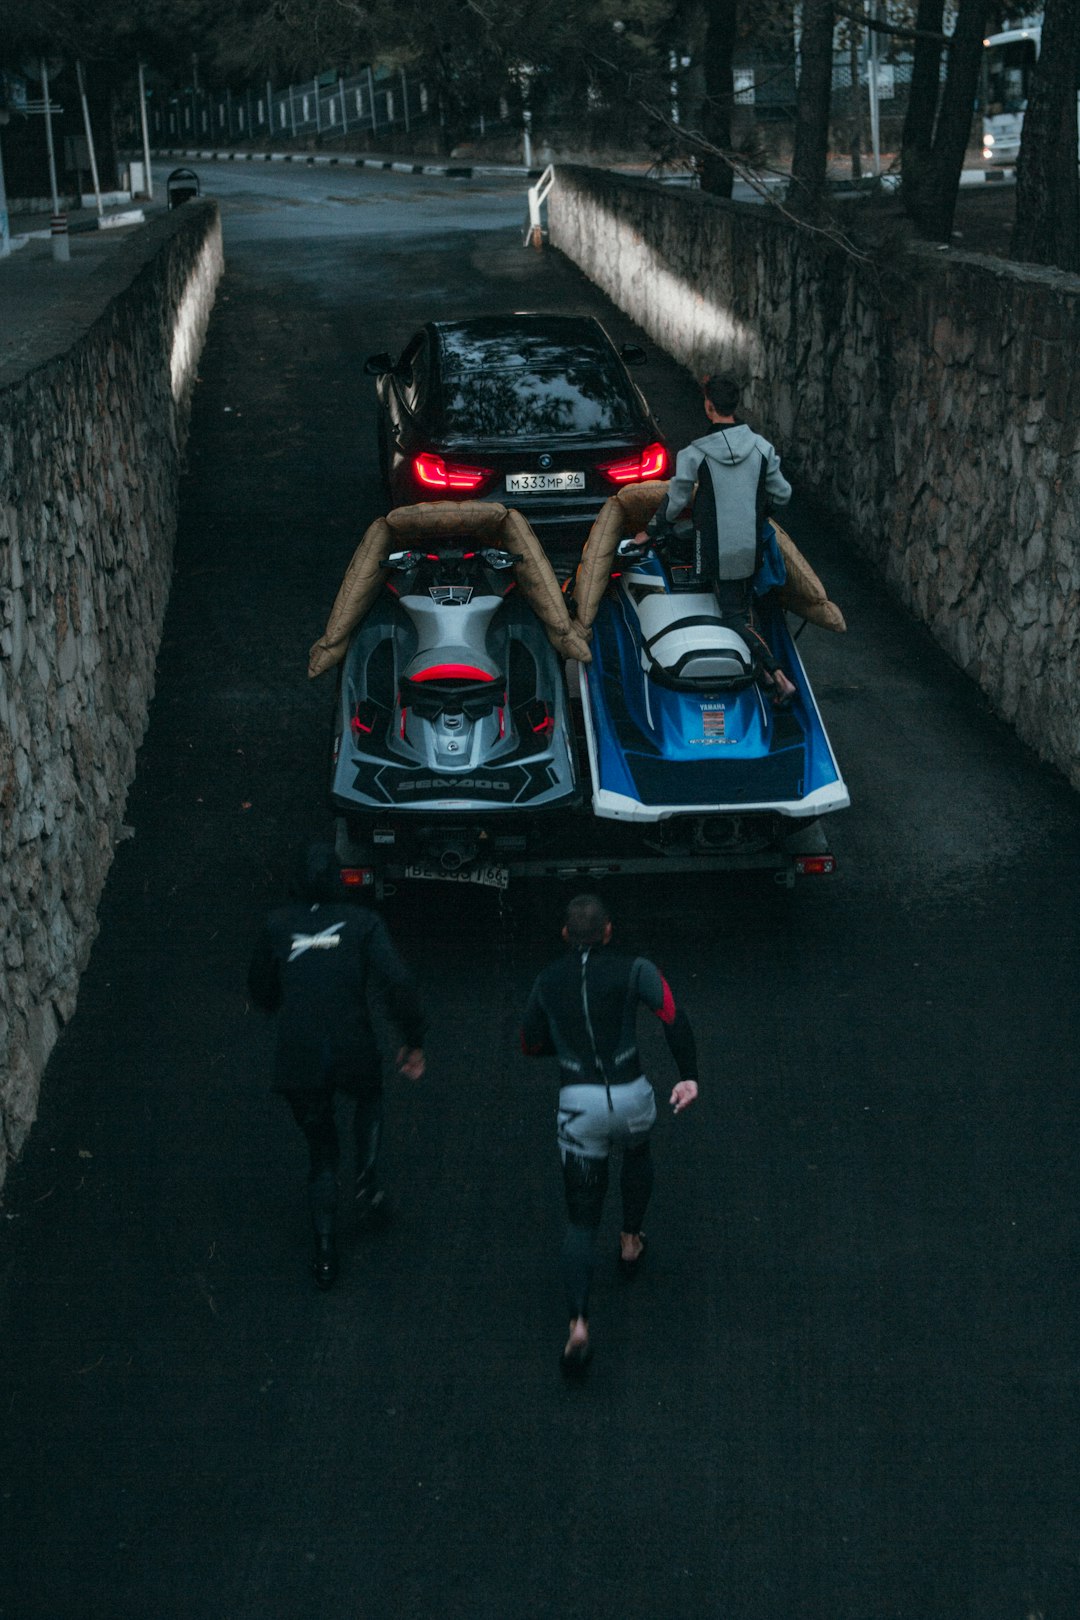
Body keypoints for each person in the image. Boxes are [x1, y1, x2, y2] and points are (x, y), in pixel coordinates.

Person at [520, 894, 699, 1377]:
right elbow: (672, 1015)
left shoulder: (546, 981)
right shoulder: (635, 968)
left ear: (564, 935)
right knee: (637, 1154)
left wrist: (566, 1046)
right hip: (631, 1093)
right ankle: (630, 1239)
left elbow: (529, 1041)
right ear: (608, 932)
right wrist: (689, 1075)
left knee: (581, 1218)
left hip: (579, 1103)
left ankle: (578, 1323)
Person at [247, 843, 425, 1290]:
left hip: (300, 1056)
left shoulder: (276, 925)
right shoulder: (363, 923)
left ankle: (325, 1250)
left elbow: (260, 987)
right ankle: (366, 1176)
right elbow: (398, 981)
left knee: (321, 1151)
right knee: (369, 1095)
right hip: (352, 1047)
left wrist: (279, 999)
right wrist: (413, 1041)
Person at [648, 371, 796, 703]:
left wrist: (649, 531)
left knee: (731, 615)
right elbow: (783, 494)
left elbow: (676, 502)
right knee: (744, 607)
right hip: (750, 545)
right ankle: (765, 678)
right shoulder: (761, 447)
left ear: (709, 406)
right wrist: (756, 511)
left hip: (714, 549)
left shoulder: (695, 453)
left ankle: (779, 675)